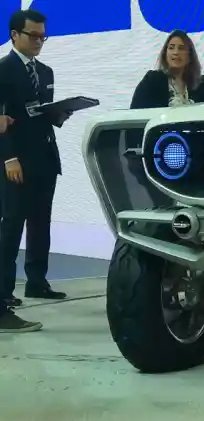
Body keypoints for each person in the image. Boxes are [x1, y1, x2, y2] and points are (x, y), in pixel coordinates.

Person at [0, 8, 75, 332]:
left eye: (43, 36)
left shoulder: (45, 72)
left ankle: (37, 280)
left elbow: (39, 115)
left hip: (45, 156)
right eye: (34, 36)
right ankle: (3, 299)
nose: (39, 41)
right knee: (11, 227)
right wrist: (8, 158)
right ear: (14, 35)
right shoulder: (4, 70)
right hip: (17, 160)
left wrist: (59, 114)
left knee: (41, 221)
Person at [130, 30, 201, 109]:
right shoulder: (152, 80)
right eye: (171, 48)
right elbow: (136, 111)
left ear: (190, 56)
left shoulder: (196, 86)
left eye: (181, 48)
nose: (175, 52)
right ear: (165, 53)